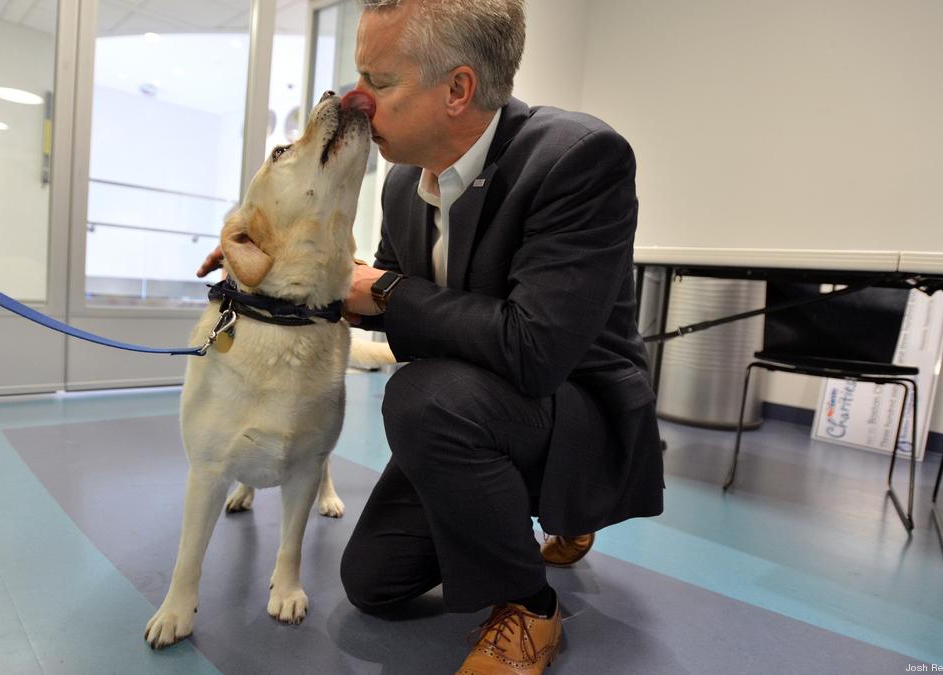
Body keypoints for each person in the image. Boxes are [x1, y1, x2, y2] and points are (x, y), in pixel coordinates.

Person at [198, 1, 663, 671]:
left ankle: (530, 607)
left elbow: (534, 353)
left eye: (378, 81)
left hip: (570, 407)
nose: (359, 98)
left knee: (421, 397)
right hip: (472, 406)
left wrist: (385, 289)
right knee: (374, 584)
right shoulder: (398, 187)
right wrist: (260, 278)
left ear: (459, 89)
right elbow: (398, 318)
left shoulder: (580, 160)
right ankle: (517, 504)